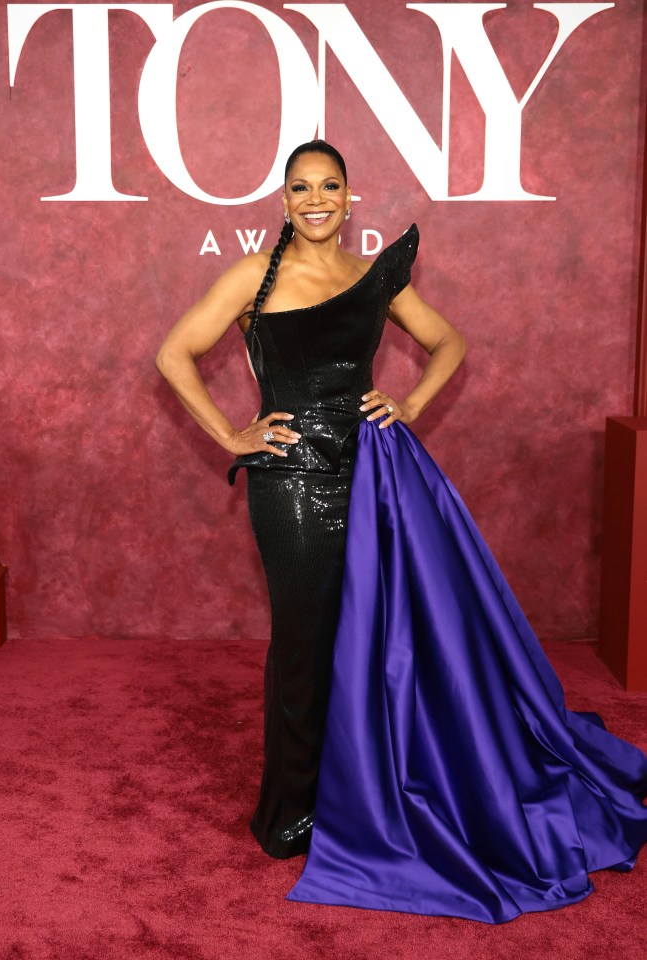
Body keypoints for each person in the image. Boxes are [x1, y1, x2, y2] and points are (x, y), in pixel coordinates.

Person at [156, 139, 647, 924]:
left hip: (374, 471)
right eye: (299, 188)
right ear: (282, 202)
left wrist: (410, 405)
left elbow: (449, 342)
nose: (315, 199)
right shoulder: (256, 275)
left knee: (383, 638)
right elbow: (172, 351)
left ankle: (363, 797)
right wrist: (231, 435)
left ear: (349, 198)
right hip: (291, 480)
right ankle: (291, 810)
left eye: (329, 186)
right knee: (305, 640)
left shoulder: (371, 275)